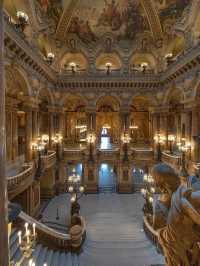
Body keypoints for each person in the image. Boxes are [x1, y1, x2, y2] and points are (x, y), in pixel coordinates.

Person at [152, 163, 200, 266]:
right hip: (176, 240)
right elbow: (158, 227)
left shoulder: (180, 196)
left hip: (178, 241)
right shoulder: (180, 195)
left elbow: (157, 227)